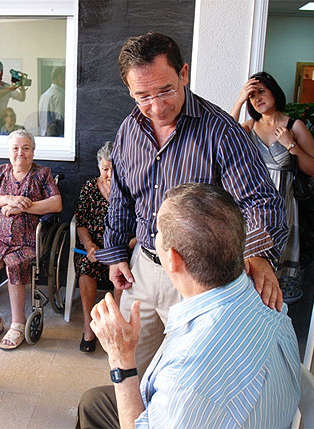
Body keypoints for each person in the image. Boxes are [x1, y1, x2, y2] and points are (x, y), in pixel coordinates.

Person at [98, 31, 288, 377]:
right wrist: (115, 254)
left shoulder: (220, 131)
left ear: (183, 73)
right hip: (143, 265)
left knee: (188, 375)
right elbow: (122, 196)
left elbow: (260, 200)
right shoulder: (128, 130)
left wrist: (256, 254)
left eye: (166, 90)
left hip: (197, 278)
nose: (157, 107)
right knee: (130, 366)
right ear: (129, 90)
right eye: (142, 96)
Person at [77, 183, 301, 428]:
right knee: (94, 402)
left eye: (157, 233)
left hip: (202, 409)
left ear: (172, 259)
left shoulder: (188, 371)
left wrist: (121, 358)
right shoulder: (267, 300)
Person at [230, 72, 314, 303]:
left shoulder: (294, 125)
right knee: (251, 266)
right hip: (253, 210)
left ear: (274, 91)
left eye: (261, 91)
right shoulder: (250, 126)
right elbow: (226, 138)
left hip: (283, 208)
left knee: (279, 276)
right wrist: (239, 100)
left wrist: (291, 145)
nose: (257, 98)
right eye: (252, 95)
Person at [0, 129, 61, 350]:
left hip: (27, 240)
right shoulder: (0, 172)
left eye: (26, 148)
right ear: (8, 152)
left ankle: (18, 324)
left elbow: (56, 204)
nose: (20, 153)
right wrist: (8, 199)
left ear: (33, 151)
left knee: (15, 264)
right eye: (15, 148)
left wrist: (24, 206)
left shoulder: (42, 174)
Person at [74, 141, 134, 353]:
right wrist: (89, 245)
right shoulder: (90, 188)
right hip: (94, 249)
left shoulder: (130, 189)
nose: (109, 174)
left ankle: (115, 327)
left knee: (122, 272)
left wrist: (127, 246)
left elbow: (139, 224)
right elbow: (80, 222)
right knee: (85, 271)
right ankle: (88, 328)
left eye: (114, 168)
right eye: (105, 169)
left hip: (123, 248)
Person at [38, 66, 65, 136]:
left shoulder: (44, 95)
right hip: (56, 137)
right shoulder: (59, 96)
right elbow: (60, 122)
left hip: (45, 136)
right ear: (60, 78)